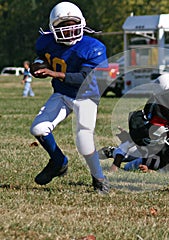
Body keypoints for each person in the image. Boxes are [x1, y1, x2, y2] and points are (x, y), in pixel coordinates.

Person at [29, 2, 109, 194]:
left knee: (84, 140)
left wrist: (52, 73)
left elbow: (84, 78)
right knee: (38, 128)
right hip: (62, 94)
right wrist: (37, 66)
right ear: (53, 28)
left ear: (82, 24)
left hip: (85, 97)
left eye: (73, 24)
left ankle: (99, 179)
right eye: (63, 26)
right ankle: (58, 161)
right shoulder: (45, 41)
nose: (69, 30)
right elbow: (43, 58)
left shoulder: (93, 47)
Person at [103, 73, 169, 173]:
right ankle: (113, 152)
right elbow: (144, 134)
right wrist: (132, 138)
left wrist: (152, 171)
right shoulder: (155, 109)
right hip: (150, 149)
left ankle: (117, 153)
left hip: (165, 154)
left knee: (131, 165)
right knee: (132, 155)